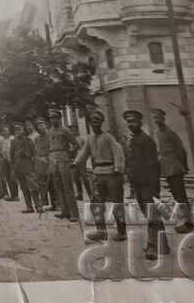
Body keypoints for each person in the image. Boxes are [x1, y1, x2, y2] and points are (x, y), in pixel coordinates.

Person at [124, 109, 170, 260]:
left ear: (140, 122)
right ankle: (163, 245)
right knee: (151, 214)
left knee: (151, 214)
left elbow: (154, 165)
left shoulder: (146, 140)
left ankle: (152, 246)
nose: (131, 124)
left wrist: (154, 188)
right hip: (137, 183)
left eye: (134, 121)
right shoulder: (131, 140)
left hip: (147, 184)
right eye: (129, 122)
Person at [75, 112, 126, 241]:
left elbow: (117, 153)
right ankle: (101, 231)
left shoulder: (108, 137)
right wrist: (75, 162)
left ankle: (121, 231)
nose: (95, 124)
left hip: (111, 173)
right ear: (90, 124)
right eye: (93, 122)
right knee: (96, 203)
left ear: (101, 123)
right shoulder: (90, 138)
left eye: (98, 121)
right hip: (98, 173)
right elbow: (84, 153)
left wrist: (118, 168)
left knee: (117, 202)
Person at [152, 108, 194, 233]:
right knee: (177, 195)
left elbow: (180, 150)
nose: (156, 120)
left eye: (158, 117)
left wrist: (184, 166)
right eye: (154, 118)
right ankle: (185, 220)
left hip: (174, 167)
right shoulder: (157, 133)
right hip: (166, 168)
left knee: (180, 195)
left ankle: (189, 222)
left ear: (163, 118)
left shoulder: (169, 132)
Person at [47, 109, 80, 223]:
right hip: (53, 158)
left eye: (55, 117)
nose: (53, 120)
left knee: (67, 186)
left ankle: (74, 213)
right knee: (57, 186)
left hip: (63, 157)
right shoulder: (50, 131)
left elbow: (76, 144)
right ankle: (64, 211)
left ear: (59, 118)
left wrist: (71, 157)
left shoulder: (65, 130)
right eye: (51, 118)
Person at [9, 123, 39, 212]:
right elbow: (11, 156)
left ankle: (38, 205)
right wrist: (13, 168)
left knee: (33, 186)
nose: (17, 132)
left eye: (19, 130)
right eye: (16, 130)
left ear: (23, 131)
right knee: (24, 187)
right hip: (18, 167)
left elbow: (34, 154)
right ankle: (29, 206)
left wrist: (33, 166)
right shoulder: (13, 142)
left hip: (28, 165)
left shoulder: (28, 140)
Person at [31, 119, 51, 210]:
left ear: (45, 125)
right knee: (42, 182)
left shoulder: (50, 135)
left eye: (41, 125)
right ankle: (44, 200)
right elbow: (35, 151)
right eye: (38, 126)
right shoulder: (37, 139)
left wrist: (48, 157)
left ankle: (56, 203)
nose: (40, 127)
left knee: (52, 182)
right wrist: (38, 158)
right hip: (40, 162)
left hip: (50, 160)